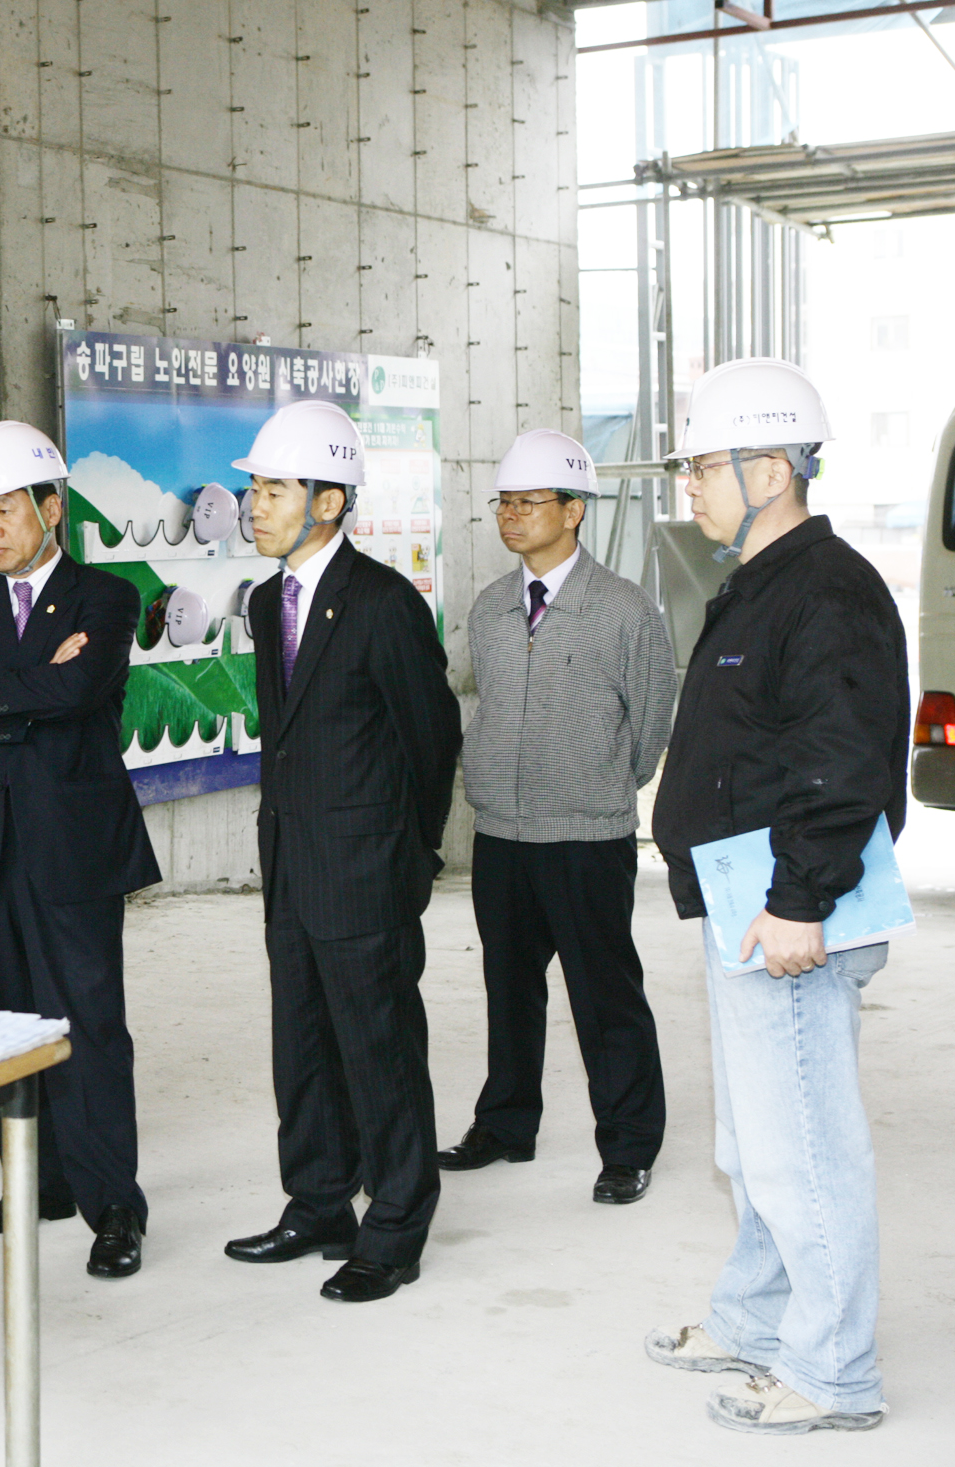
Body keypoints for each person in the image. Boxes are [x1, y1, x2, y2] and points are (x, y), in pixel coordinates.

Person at [646, 358, 907, 1436]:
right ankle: (759, 1319)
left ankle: (833, 1373)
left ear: (769, 467)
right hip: (739, 896)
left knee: (804, 1146)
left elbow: (839, 759)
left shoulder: (829, 589)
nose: (690, 489)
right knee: (754, 1143)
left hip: (787, 906)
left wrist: (802, 898)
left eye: (703, 467)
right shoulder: (760, 579)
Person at [222, 400, 460, 1304]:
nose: (256, 505)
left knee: (381, 1049)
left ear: (327, 501)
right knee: (304, 1046)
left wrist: (413, 861)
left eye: (274, 489)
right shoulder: (265, 600)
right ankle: (318, 1201)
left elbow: (430, 738)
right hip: (291, 865)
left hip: (367, 873)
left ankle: (395, 1223)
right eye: (254, 488)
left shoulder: (383, 604)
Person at [0, 420, 160, 1281]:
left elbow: (80, 686)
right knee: (7, 1026)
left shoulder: (106, 598)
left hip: (73, 848)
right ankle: (38, 1181)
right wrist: (24, 692)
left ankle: (113, 1206)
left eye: (5, 510)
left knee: (89, 1027)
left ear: (50, 509)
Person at [439, 430, 675, 1204]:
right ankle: (507, 1123)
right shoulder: (493, 608)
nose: (511, 516)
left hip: (585, 836)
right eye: (503, 503)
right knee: (508, 989)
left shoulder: (624, 611)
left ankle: (630, 1144)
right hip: (502, 835)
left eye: (528, 502)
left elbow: (649, 728)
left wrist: (597, 783)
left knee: (605, 996)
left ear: (573, 511)